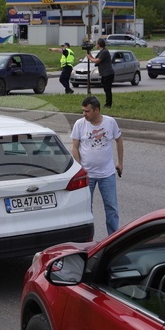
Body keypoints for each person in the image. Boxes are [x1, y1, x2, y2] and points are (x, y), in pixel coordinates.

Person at [71, 95, 124, 235]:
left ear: (97, 110)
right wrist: (80, 169)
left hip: (107, 174)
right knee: (86, 209)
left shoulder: (110, 122)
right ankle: (87, 239)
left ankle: (113, 238)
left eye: (87, 111)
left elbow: (119, 140)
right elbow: (75, 148)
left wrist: (120, 163)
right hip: (88, 175)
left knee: (112, 208)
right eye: (83, 111)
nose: (84, 114)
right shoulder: (79, 124)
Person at [89, 37, 115, 107]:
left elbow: (97, 61)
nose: (96, 45)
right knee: (105, 89)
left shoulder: (105, 52)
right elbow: (94, 59)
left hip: (108, 73)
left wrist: (89, 57)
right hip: (104, 73)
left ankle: (108, 104)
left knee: (107, 89)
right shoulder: (101, 52)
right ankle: (108, 103)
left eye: (96, 44)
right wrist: (89, 53)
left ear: (99, 44)